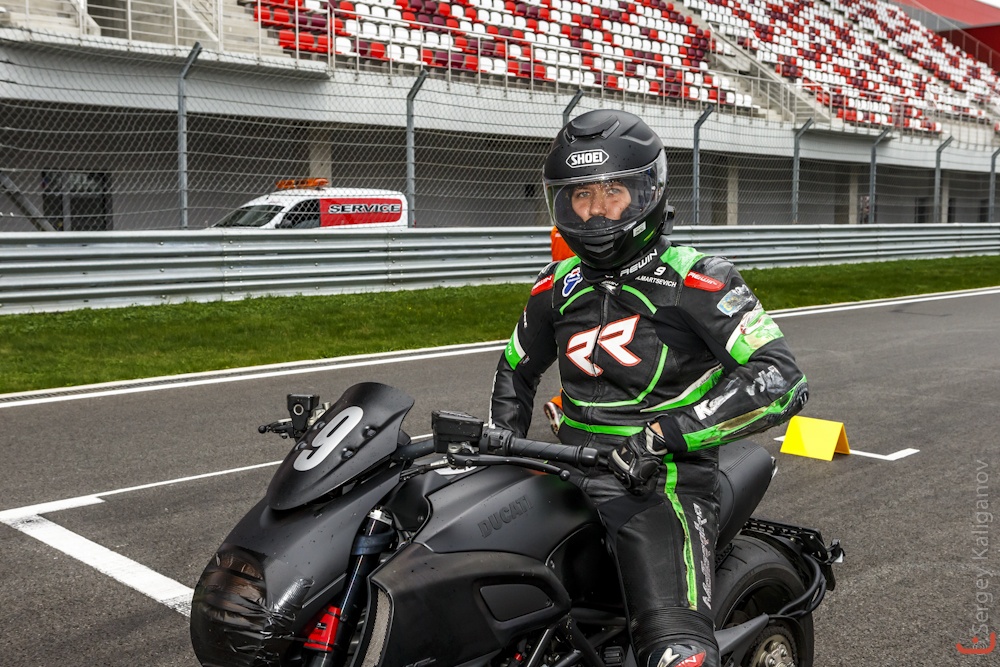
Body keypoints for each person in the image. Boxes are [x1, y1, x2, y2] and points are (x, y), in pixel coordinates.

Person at [488, 109, 808, 667]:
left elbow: (780, 378)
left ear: (647, 192)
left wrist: (663, 436)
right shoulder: (554, 287)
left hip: (663, 482)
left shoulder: (698, 279)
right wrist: (500, 450)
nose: (595, 210)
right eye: (580, 195)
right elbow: (515, 369)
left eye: (611, 192)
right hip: (567, 466)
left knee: (676, 652)